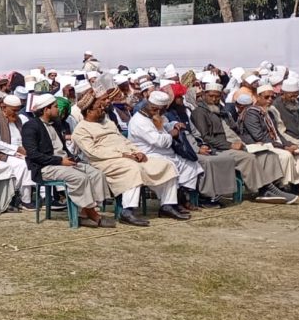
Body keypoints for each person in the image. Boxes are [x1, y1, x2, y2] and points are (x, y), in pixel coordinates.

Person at [71, 92, 183, 226]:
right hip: (105, 162)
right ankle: (127, 211)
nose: (103, 110)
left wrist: (137, 151)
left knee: (167, 165)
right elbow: (93, 152)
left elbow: (123, 140)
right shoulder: (80, 130)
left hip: (128, 156)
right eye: (99, 108)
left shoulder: (107, 122)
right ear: (88, 111)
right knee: (132, 168)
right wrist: (121, 154)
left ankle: (167, 205)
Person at [22, 94, 116, 227]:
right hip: (45, 167)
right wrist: (59, 161)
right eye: (55, 107)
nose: (58, 110)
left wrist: (70, 159)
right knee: (80, 178)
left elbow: (62, 147)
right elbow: (33, 154)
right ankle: (94, 215)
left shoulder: (56, 123)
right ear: (45, 109)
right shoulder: (30, 126)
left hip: (64, 162)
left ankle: (84, 213)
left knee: (96, 174)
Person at [191, 81, 292, 203]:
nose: (214, 99)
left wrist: (247, 143)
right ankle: (264, 189)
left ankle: (272, 188)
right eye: (211, 96)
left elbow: (236, 130)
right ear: (204, 95)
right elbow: (205, 137)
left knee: (267, 154)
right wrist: (230, 145)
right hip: (219, 149)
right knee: (248, 158)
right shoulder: (199, 113)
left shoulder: (221, 111)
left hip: (235, 144)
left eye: (217, 96)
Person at [128, 90, 204, 212]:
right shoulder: (139, 121)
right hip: (149, 155)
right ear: (148, 105)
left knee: (191, 165)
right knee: (171, 167)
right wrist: (172, 134)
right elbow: (158, 140)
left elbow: (164, 127)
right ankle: (168, 205)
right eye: (154, 109)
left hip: (164, 153)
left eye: (161, 110)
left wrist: (174, 125)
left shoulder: (155, 116)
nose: (158, 112)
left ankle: (180, 199)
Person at [0, 94, 36, 208]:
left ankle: (27, 198)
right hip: (2, 154)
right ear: (4, 108)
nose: (16, 113)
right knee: (23, 165)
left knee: (33, 161)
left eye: (18, 110)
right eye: (14, 110)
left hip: (19, 152)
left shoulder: (18, 119)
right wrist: (16, 149)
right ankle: (18, 197)